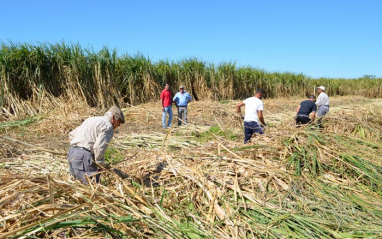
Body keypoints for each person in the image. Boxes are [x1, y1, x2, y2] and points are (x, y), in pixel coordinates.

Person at [67, 106, 125, 184]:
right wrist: (101, 164)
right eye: (119, 122)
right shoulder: (108, 126)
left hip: (72, 152)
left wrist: (78, 149)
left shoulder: (91, 119)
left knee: (77, 184)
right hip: (83, 156)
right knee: (93, 187)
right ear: (114, 117)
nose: (118, 125)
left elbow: (72, 134)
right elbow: (99, 147)